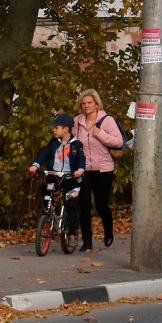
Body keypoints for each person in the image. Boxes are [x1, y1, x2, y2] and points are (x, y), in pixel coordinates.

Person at [74, 89, 122, 251]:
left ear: (96, 104)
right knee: (84, 204)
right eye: (84, 103)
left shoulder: (106, 120)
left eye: (89, 103)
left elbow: (118, 141)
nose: (86, 106)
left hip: (103, 169)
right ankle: (87, 241)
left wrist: (101, 134)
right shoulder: (77, 121)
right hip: (84, 170)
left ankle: (108, 230)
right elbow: (72, 141)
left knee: (101, 205)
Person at [28, 113, 84, 245]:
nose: (53, 130)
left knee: (71, 205)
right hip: (55, 175)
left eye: (56, 127)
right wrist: (35, 165)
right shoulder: (53, 143)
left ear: (66, 129)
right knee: (45, 186)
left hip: (70, 178)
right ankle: (48, 209)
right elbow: (44, 154)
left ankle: (72, 234)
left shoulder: (76, 144)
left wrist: (80, 171)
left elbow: (81, 159)